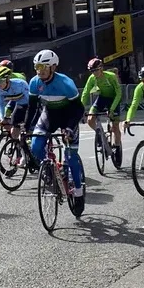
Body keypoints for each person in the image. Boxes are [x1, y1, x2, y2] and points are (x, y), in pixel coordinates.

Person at [22, 49, 86, 215]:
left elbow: (79, 109)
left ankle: (78, 191)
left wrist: (70, 128)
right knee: (35, 146)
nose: (40, 71)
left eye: (44, 67)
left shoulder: (66, 83)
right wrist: (26, 128)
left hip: (68, 117)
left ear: (53, 67)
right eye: (37, 67)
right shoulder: (35, 82)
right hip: (49, 115)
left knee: (71, 157)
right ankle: (49, 168)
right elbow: (32, 107)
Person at [81, 57, 122, 155]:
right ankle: (100, 134)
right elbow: (85, 93)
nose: (94, 73)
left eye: (96, 70)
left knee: (115, 126)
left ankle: (117, 146)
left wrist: (112, 109)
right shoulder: (92, 78)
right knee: (90, 119)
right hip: (102, 98)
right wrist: (80, 108)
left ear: (101, 68)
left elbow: (119, 93)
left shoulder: (111, 76)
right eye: (92, 71)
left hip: (113, 99)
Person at [0, 65, 30, 164]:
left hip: (29, 105)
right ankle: (23, 154)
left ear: (8, 79)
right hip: (17, 103)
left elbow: (31, 102)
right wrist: (1, 117)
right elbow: (0, 103)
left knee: (28, 128)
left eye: (0, 81)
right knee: (14, 132)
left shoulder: (20, 84)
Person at [0, 59, 26, 125]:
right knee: (6, 115)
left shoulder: (19, 79)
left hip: (22, 98)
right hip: (12, 99)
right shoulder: (0, 82)